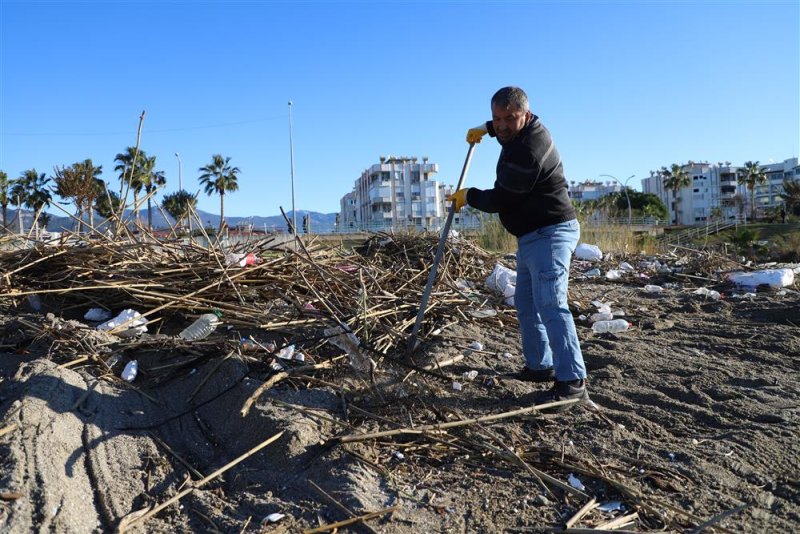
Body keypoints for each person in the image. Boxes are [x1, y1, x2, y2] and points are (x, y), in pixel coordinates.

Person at [447, 86, 588, 410]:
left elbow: (501, 199)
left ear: (526, 114)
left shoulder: (531, 148)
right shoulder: (515, 131)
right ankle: (540, 367)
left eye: (509, 119)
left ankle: (572, 382)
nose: (503, 126)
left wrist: (469, 196)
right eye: (497, 118)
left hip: (550, 233)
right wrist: (484, 129)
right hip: (530, 235)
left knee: (552, 304)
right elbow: (504, 130)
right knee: (526, 303)